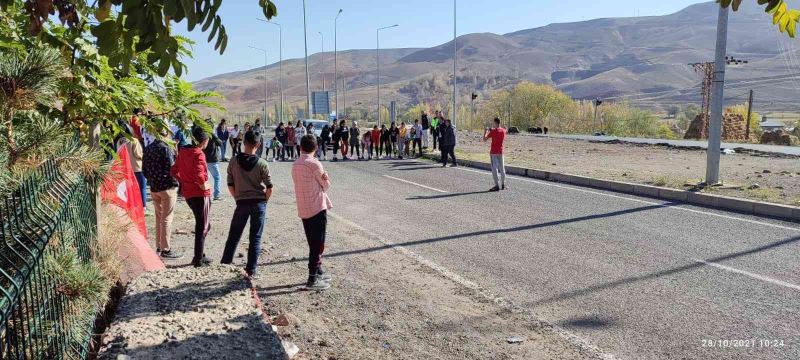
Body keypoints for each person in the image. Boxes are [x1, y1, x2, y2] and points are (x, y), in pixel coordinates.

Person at [221, 130, 273, 277]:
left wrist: (237, 197)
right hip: (258, 203)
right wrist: (264, 201)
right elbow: (269, 187)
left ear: (244, 143)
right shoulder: (262, 163)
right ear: (259, 145)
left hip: (241, 202)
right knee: (255, 238)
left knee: (234, 235)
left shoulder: (233, 161)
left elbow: (230, 184)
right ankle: (251, 270)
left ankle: (225, 264)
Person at [292, 135, 333, 290]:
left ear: (300, 147)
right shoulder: (314, 164)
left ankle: (318, 270)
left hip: (304, 207)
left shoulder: (296, 164)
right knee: (318, 243)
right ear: (316, 148)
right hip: (316, 207)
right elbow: (326, 185)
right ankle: (312, 279)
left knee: (312, 241)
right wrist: (326, 178)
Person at [171, 126, 212, 267]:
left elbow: (174, 170)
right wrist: (204, 185)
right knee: (203, 227)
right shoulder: (198, 153)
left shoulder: (183, 151)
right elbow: (200, 176)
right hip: (200, 194)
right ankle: (198, 259)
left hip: (188, 194)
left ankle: (200, 255)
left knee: (204, 225)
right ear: (203, 141)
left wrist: (184, 181)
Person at [142, 130, 183, 259]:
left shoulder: (148, 148)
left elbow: (144, 170)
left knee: (159, 218)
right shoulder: (166, 149)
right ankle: (166, 249)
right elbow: (173, 168)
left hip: (154, 187)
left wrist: (153, 180)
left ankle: (160, 247)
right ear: (166, 135)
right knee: (166, 218)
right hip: (167, 187)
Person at [116, 129, 146, 209]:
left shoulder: (119, 141)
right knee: (142, 187)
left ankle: (130, 204)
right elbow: (138, 154)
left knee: (129, 188)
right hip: (136, 167)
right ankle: (143, 206)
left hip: (125, 167)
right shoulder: (134, 140)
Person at [483, 117, 507, 192]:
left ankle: (496, 185)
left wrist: (485, 131)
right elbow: (503, 130)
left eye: (493, 123)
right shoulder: (503, 131)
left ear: (495, 123)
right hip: (501, 152)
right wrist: (492, 129)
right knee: (502, 168)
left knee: (494, 168)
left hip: (493, 152)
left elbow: (484, 139)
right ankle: (503, 184)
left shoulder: (493, 132)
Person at [203, 122, 223, 201]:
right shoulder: (212, 135)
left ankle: (205, 194)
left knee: (206, 178)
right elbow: (220, 143)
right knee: (217, 178)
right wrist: (214, 135)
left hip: (205, 159)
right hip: (212, 160)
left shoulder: (203, 135)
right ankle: (217, 195)